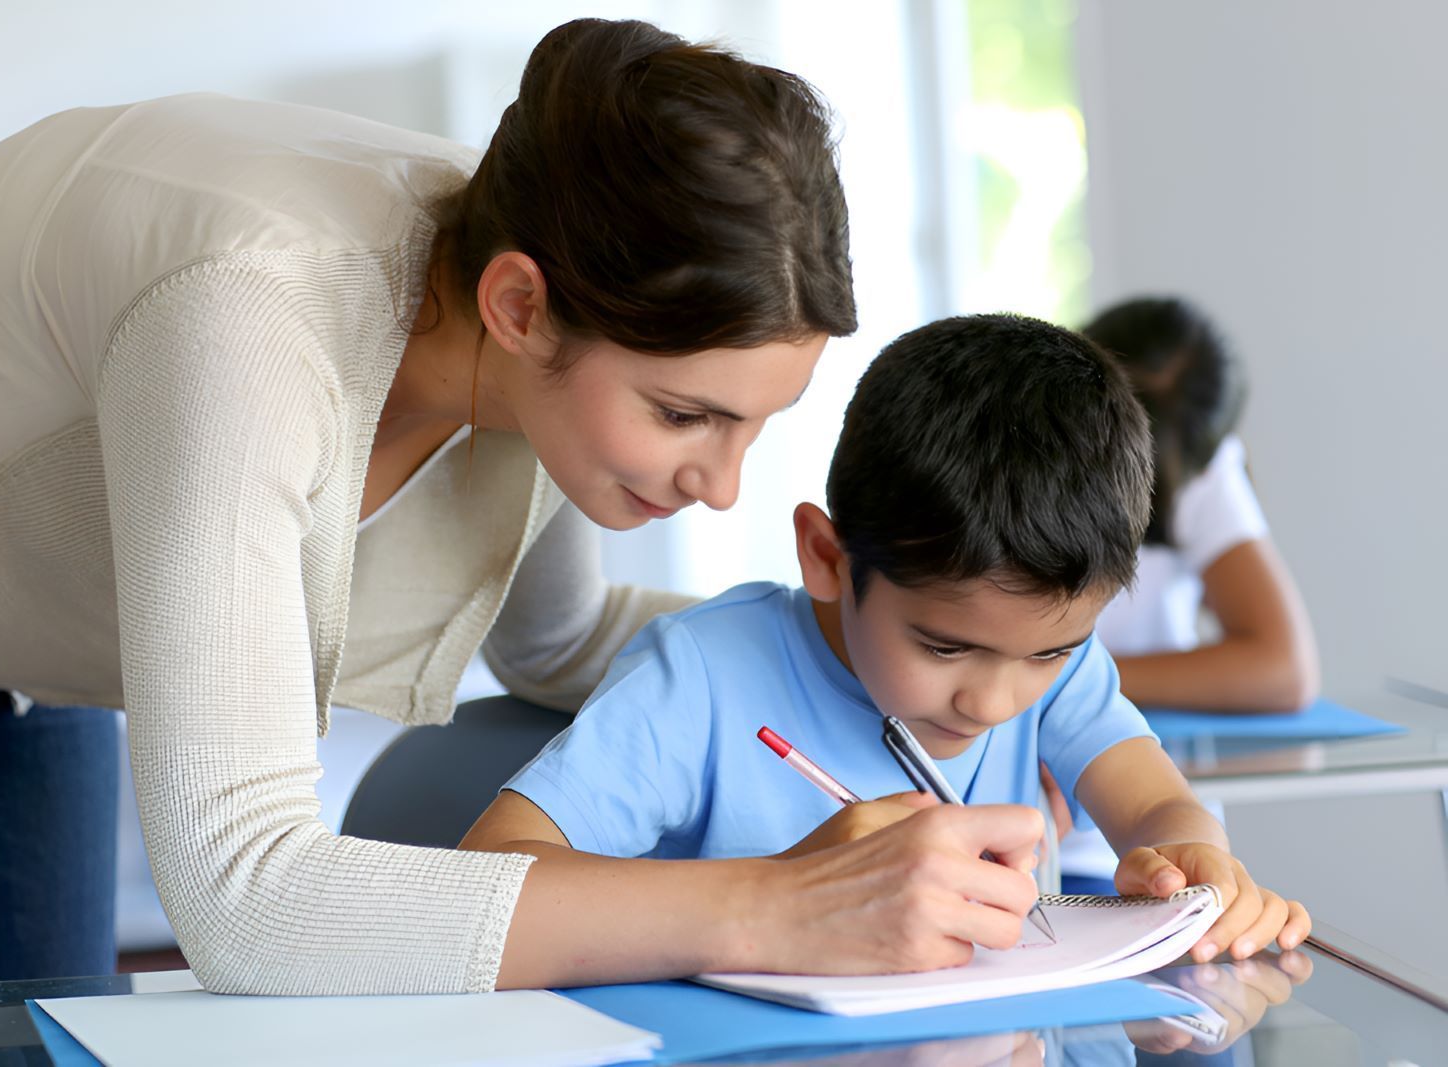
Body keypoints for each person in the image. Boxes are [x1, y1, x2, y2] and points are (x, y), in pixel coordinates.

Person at [0, 17, 1018, 995]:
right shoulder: (250, 318)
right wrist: (774, 906)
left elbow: (555, 639)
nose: (721, 482)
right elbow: (243, 896)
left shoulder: (526, 296)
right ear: (519, 305)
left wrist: (936, 658)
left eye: (753, 422)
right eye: (683, 414)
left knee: (49, 1033)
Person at [463, 315, 1312, 966]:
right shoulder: (701, 675)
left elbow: (1156, 805)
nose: (996, 700)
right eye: (945, 647)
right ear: (828, 557)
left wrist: (1194, 860)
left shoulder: (1058, 670)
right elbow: (483, 880)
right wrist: (788, 889)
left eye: (1050, 652)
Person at [1052, 296, 1322, 893]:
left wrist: (1065, 681)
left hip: (1136, 840)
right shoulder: (1035, 451)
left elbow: (1283, 669)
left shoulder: (1205, 467)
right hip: (1028, 839)